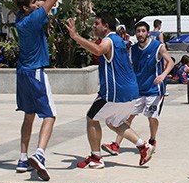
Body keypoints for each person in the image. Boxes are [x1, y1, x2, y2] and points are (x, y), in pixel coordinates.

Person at [65, 13, 154, 169]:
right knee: (115, 122)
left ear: (106, 26)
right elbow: (99, 49)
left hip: (115, 92)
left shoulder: (108, 41)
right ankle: (143, 146)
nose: (94, 25)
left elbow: (99, 50)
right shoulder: (120, 40)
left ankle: (96, 157)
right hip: (131, 91)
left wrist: (75, 36)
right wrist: (84, 43)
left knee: (91, 118)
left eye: (97, 23)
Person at [13, 0, 60, 181]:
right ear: (26, 7)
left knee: (28, 115)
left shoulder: (20, 18)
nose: (37, 4)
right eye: (33, 4)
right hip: (35, 73)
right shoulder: (33, 21)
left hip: (22, 73)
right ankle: (39, 154)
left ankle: (23, 158)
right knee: (50, 115)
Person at [102, 21, 174, 156]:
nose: (140, 34)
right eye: (138, 31)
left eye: (143, 31)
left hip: (154, 90)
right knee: (127, 118)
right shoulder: (133, 50)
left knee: (151, 118)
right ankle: (116, 145)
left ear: (148, 32)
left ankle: (152, 140)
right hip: (138, 90)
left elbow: (171, 62)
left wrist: (163, 76)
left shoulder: (158, 46)